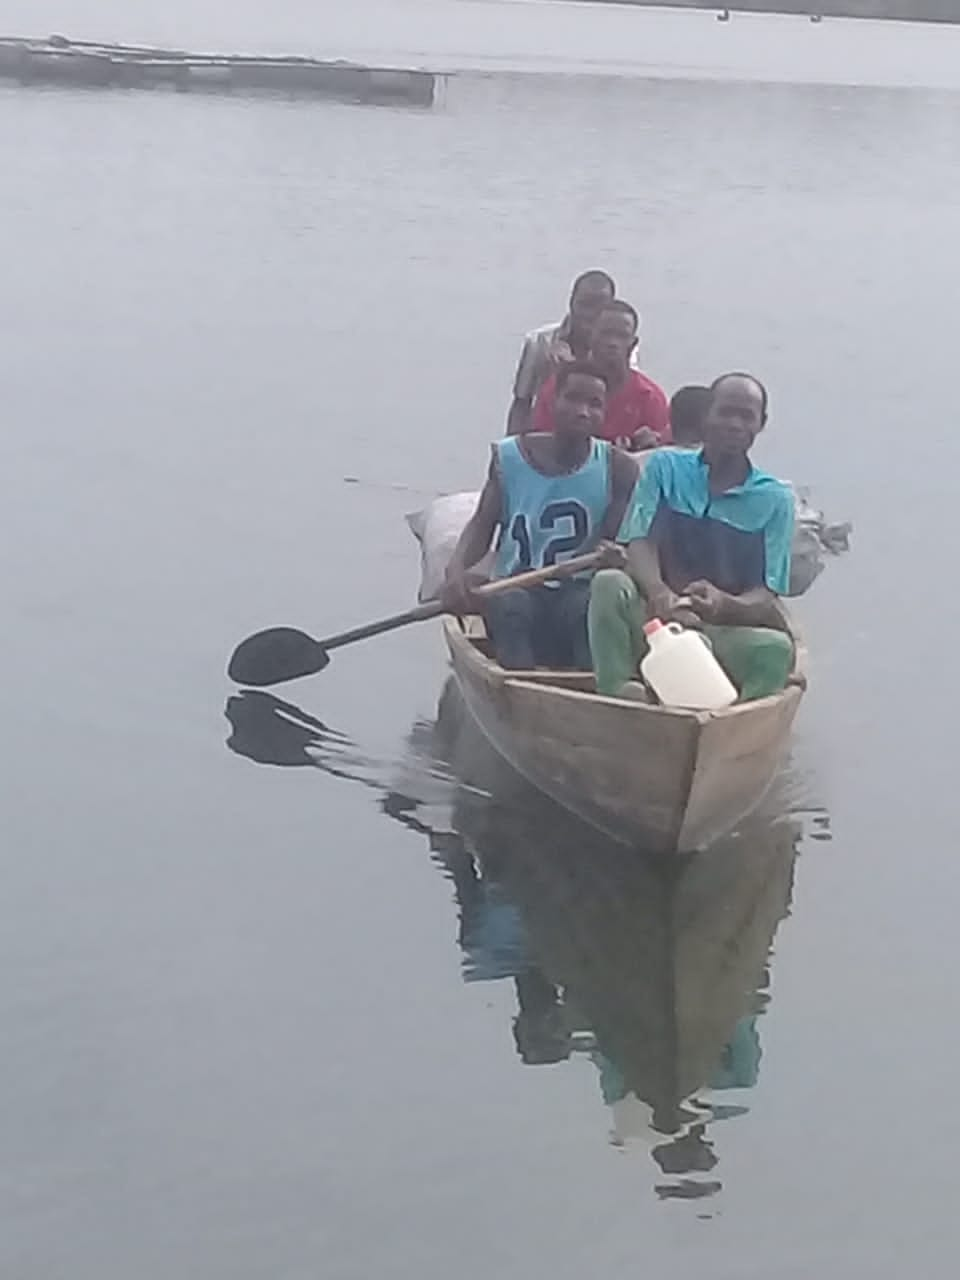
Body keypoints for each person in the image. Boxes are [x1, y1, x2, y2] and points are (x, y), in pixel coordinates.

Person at [588, 372, 795, 701]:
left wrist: (724, 603)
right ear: (706, 415)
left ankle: (728, 724)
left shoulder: (775, 499)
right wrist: (659, 592)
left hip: (719, 629)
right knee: (609, 582)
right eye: (725, 412)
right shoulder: (666, 467)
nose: (734, 425)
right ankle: (619, 691)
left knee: (776, 650)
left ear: (761, 424)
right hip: (654, 623)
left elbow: (765, 592)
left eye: (746, 416)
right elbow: (639, 540)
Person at [444, 361, 637, 671]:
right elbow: (482, 525)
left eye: (594, 404)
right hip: (515, 587)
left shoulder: (618, 468)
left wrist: (615, 555)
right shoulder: (509, 458)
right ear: (552, 399)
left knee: (588, 610)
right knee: (512, 605)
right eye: (573, 399)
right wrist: (455, 571)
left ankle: (588, 689)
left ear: (604, 413)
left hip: (575, 592)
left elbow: (617, 541)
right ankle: (517, 686)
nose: (582, 411)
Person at [531, 301, 671, 450]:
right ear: (590, 336)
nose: (612, 342)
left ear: (633, 343)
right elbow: (538, 446)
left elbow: (661, 459)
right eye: (606, 333)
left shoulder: (650, 398)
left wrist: (648, 448)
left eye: (622, 336)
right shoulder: (559, 388)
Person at [506, 269, 616, 436]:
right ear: (572, 302)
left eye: (600, 307)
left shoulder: (618, 348)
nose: (590, 314)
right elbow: (521, 403)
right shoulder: (539, 342)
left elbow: (625, 392)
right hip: (543, 437)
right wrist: (511, 452)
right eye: (585, 304)